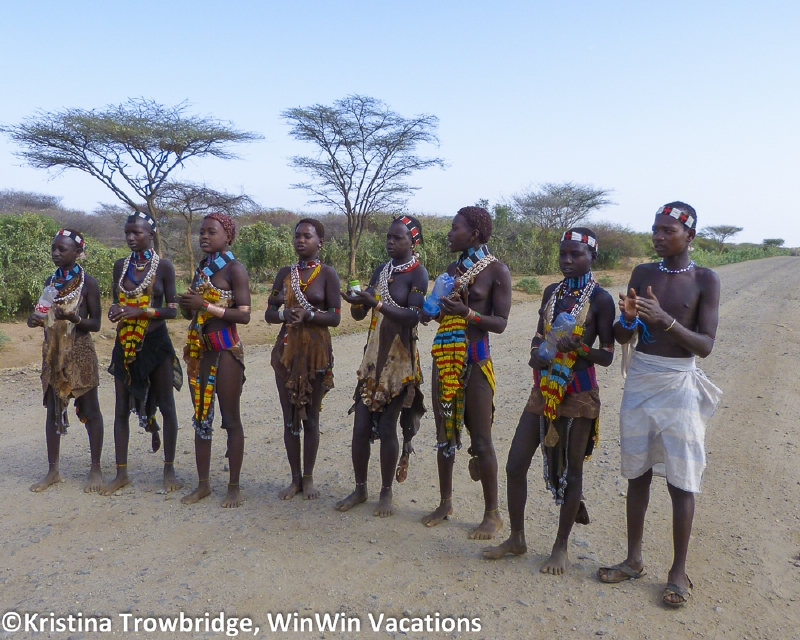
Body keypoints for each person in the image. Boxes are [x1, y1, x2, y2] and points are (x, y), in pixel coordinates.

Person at [598, 202, 722, 608]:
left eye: (668, 230)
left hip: (679, 383)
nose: (658, 236)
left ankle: (678, 571)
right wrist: (629, 318)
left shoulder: (705, 279)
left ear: (690, 236)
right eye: (656, 229)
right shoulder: (643, 273)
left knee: (681, 480)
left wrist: (666, 319)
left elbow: (705, 345)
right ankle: (633, 559)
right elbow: (623, 336)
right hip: (641, 378)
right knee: (637, 473)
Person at [483, 228, 615, 574]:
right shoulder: (552, 292)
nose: (567, 261)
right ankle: (517, 538)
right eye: (563, 254)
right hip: (543, 390)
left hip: (579, 393)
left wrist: (581, 349)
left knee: (572, 471)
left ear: (593, 257)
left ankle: (560, 547)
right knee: (515, 464)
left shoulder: (601, 299)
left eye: (576, 254)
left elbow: (607, 356)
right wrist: (534, 353)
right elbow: (539, 335)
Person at [421, 206, 512, 540]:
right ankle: (445, 503)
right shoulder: (451, 270)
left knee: (482, 440)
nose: (449, 233)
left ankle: (492, 515)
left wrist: (467, 313)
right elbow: (442, 313)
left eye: (455, 227)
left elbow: (500, 323)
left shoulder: (497, 271)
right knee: (444, 433)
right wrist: (432, 311)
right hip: (446, 359)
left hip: (475, 360)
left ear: (473, 234)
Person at [335, 216, 428, 517]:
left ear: (413, 242)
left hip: (400, 362)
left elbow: (412, 316)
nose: (390, 242)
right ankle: (360, 488)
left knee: (388, 427)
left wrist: (375, 303)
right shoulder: (381, 270)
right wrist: (357, 302)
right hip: (373, 359)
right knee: (360, 426)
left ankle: (386, 492)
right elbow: (362, 315)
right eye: (389, 236)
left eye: (398, 238)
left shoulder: (418, 274)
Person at [103, 211, 183, 495]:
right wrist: (116, 311)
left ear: (151, 234)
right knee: (120, 408)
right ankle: (121, 473)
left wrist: (141, 312)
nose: (131, 237)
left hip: (156, 342)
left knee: (167, 406)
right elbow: (118, 302)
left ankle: (169, 468)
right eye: (127, 232)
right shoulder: (120, 266)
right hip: (125, 342)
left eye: (136, 232)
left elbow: (173, 310)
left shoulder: (164, 267)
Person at [179, 212, 251, 508]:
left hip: (226, 352)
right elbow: (193, 312)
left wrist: (205, 306)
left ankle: (233, 487)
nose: (205, 236)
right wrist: (188, 306)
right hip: (201, 352)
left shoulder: (235, 269)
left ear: (228, 236)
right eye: (202, 232)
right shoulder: (202, 269)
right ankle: (203, 484)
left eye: (212, 231)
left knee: (230, 419)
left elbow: (244, 315)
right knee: (201, 419)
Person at [266, 219, 341, 500]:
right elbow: (269, 313)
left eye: (307, 236)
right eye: (297, 235)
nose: (300, 240)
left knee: (310, 418)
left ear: (320, 241)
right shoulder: (285, 274)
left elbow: (335, 317)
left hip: (316, 353)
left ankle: (308, 479)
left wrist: (309, 315)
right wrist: (284, 314)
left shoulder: (328, 274)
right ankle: (295, 479)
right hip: (287, 351)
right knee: (289, 419)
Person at [27, 229, 104, 492]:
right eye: (54, 248)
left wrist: (74, 318)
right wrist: (34, 320)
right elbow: (42, 314)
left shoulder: (88, 283)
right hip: (53, 351)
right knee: (53, 411)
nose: (56, 253)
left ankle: (96, 469)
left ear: (78, 252)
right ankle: (53, 471)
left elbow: (96, 324)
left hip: (80, 352)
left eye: (62, 249)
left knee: (90, 410)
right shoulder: (51, 282)